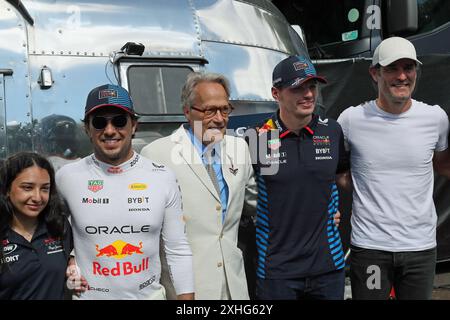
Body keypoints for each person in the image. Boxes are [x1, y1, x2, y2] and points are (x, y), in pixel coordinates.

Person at [55, 84, 194, 300]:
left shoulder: (162, 176)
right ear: (87, 129)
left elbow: (178, 249)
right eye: (99, 122)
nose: (110, 130)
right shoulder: (66, 177)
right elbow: (50, 235)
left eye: (119, 121)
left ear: (134, 125)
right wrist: (68, 259)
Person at [337, 36, 450, 300]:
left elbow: (444, 165)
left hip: (420, 248)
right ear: (375, 73)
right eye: (392, 69)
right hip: (370, 248)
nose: (402, 76)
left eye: (408, 68)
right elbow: (338, 173)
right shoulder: (350, 120)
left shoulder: (435, 118)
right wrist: (369, 187)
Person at [141, 72, 256, 300]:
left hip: (233, 286)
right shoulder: (156, 154)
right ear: (187, 111)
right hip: (187, 290)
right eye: (209, 110)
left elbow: (256, 202)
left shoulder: (239, 149)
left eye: (225, 109)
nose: (220, 118)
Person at [247, 54, 349, 300]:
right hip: (277, 270)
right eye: (298, 88)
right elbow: (241, 193)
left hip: (328, 266)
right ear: (276, 93)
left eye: (312, 86)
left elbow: (342, 178)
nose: (309, 95)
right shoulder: (258, 137)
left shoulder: (332, 130)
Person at [0, 152, 73, 299]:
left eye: (45, 188)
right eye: (27, 188)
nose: (37, 197)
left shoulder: (59, 226)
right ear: (7, 190)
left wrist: (73, 266)